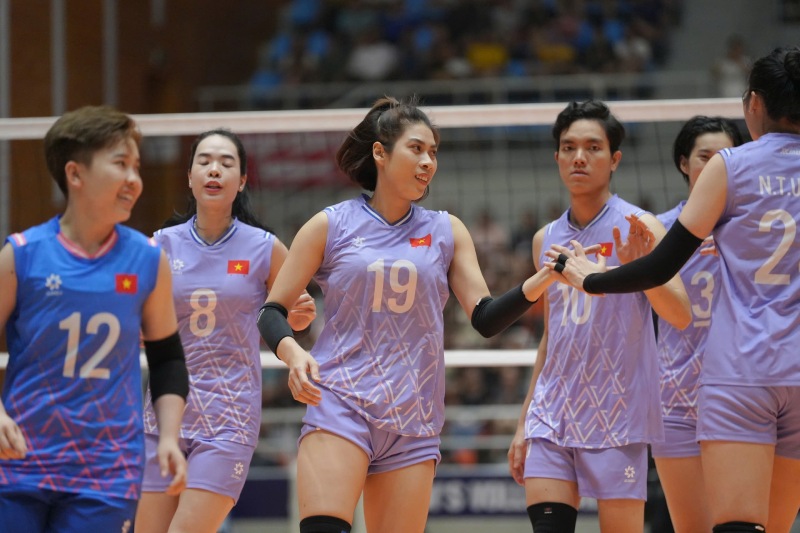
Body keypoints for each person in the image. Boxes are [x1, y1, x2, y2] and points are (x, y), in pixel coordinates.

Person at [255, 96, 561, 533]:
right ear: (380, 152)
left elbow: (486, 318)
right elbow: (272, 310)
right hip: (341, 400)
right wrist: (293, 352)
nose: (428, 161)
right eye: (416, 148)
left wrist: (539, 280)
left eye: (433, 152)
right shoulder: (331, 224)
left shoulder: (445, 229)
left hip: (413, 415)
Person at [550, 46, 800, 533]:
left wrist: (590, 278)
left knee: (734, 525)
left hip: (743, 369)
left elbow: (661, 265)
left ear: (753, 104)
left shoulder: (733, 166)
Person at [506, 99, 692, 533]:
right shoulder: (544, 239)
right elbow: (551, 338)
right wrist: (523, 424)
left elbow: (680, 315)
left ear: (615, 159)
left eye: (592, 147)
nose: (579, 157)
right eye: (569, 148)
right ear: (556, 158)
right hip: (552, 415)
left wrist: (639, 269)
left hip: (618, 415)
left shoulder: (642, 226)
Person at [0, 106, 188, 531]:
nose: (134, 180)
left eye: (136, 167)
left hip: (106, 470)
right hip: (20, 462)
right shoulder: (22, 254)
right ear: (75, 174)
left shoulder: (147, 259)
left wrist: (170, 438)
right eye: (120, 164)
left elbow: (168, 359)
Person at [134, 129, 317, 533]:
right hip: (164, 412)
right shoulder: (159, 245)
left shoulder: (264, 247)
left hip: (229, 416)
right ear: (189, 176)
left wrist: (299, 319)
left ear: (242, 180)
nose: (214, 169)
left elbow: (295, 313)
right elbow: (133, 320)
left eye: (226, 163)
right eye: (204, 161)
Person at [650, 116, 743, 533]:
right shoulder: (656, 229)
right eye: (705, 156)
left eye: (726, 156)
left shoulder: (752, 231)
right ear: (684, 163)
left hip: (744, 395)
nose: (716, 165)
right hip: (675, 402)